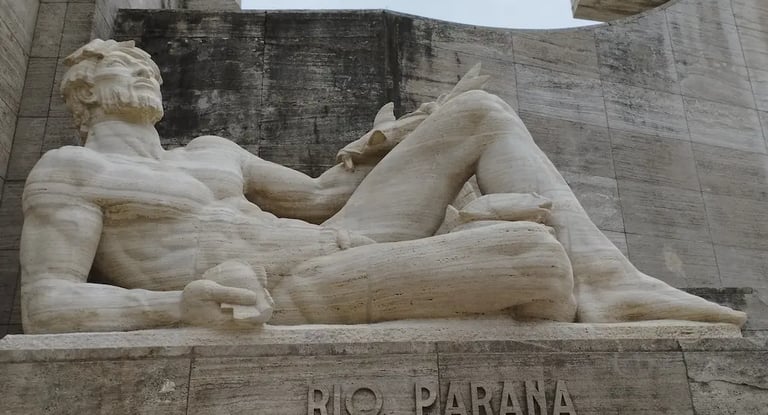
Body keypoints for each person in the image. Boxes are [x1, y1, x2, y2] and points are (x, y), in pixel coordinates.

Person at [19, 39, 745, 334]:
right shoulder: (71, 171)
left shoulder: (213, 150)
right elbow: (48, 301)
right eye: (123, 66)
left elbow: (317, 197)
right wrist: (175, 305)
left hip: (338, 237)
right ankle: (493, 246)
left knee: (479, 114)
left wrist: (382, 145)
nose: (144, 73)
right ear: (82, 93)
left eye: (148, 67)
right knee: (529, 253)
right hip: (285, 284)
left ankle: (610, 284)